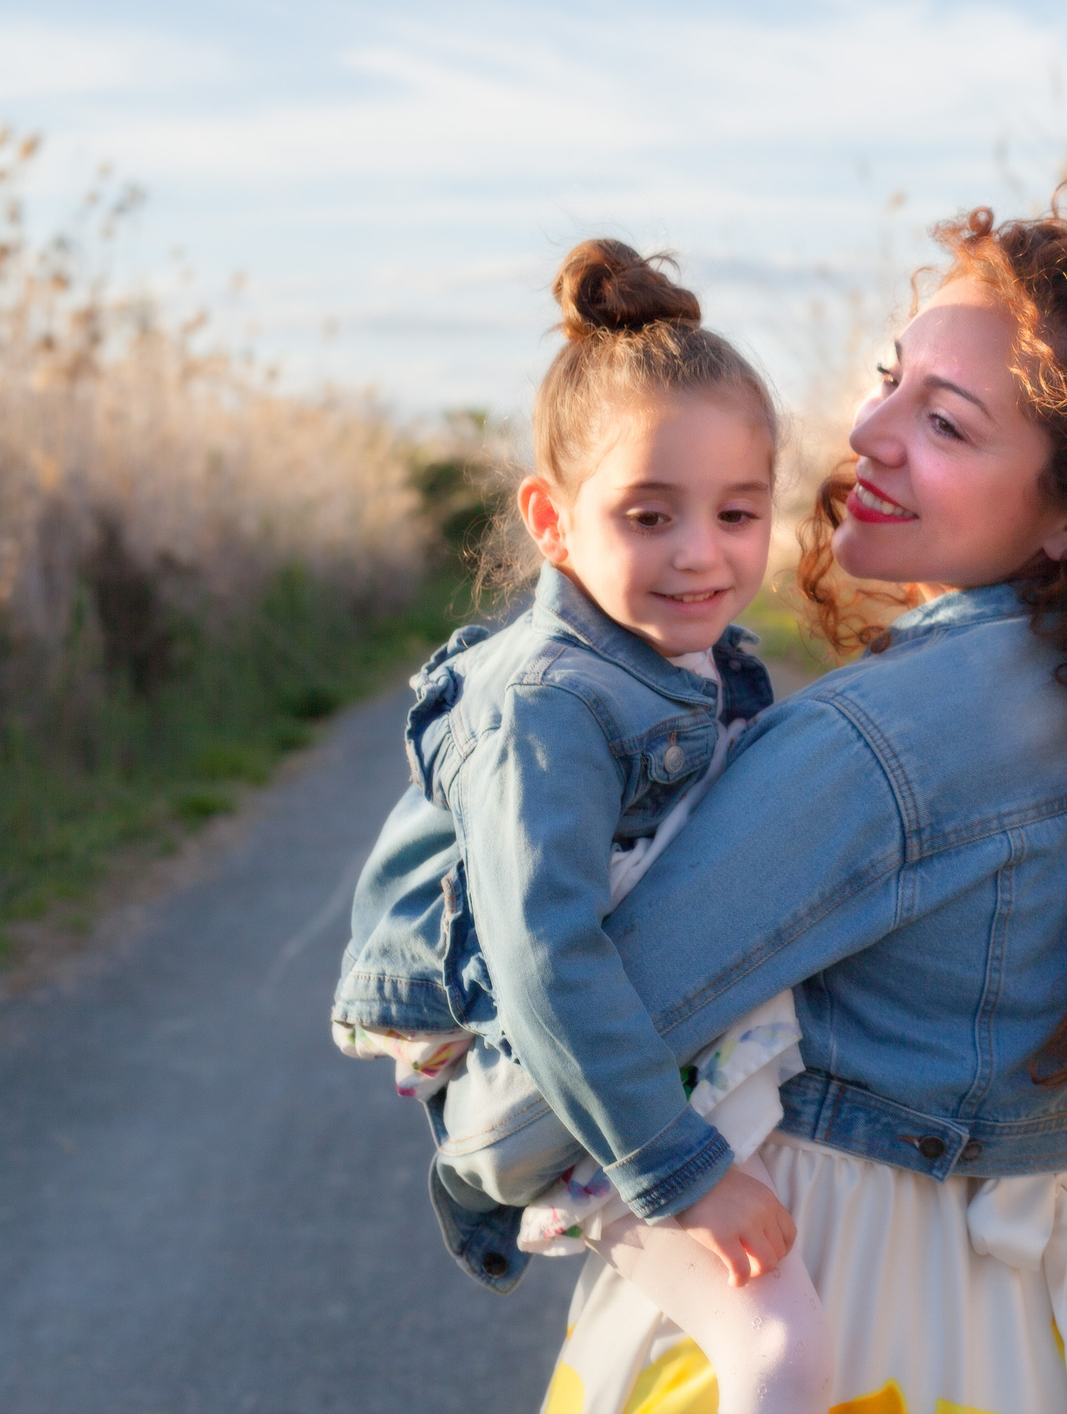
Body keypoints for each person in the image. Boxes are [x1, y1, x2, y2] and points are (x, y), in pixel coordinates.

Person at [346, 204, 1067, 1413]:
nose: (866, 432)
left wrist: (476, 1142)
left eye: (944, 422)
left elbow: (544, 1077)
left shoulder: (884, 743)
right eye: (892, 380)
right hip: (1042, 1301)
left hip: (866, 1297)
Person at [331, 240, 834, 1414]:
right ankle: (535, 1168)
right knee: (782, 1354)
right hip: (511, 1036)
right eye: (649, 514)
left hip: (591, 1019)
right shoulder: (546, 706)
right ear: (552, 522)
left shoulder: (683, 653)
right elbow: (543, 960)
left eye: (737, 511)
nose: (700, 553)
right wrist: (683, 1173)